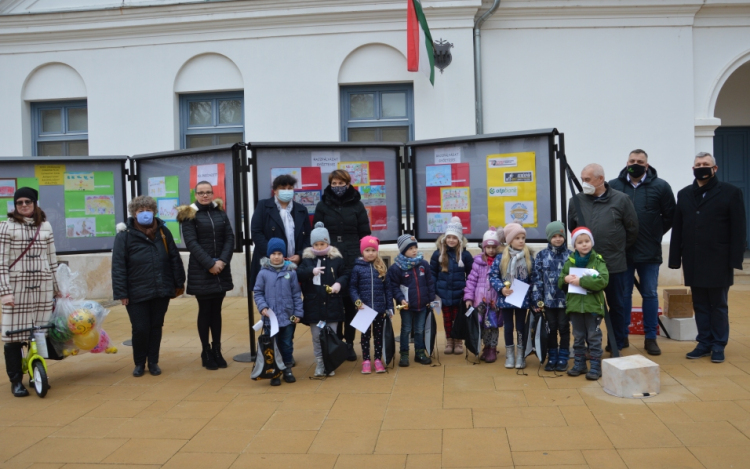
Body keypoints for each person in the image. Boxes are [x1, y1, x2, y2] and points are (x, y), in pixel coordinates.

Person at [669, 152, 747, 364]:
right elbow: (678, 227)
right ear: (693, 169)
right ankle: (704, 342)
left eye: (706, 164)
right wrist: (675, 258)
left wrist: (735, 259)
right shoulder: (684, 194)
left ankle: (719, 344)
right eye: (698, 164)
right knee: (700, 304)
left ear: (715, 168)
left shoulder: (730, 192)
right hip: (694, 259)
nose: (701, 167)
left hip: (718, 259)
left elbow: (738, 228)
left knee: (718, 304)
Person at [609, 149, 676, 356]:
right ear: (626, 162)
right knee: (623, 295)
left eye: (640, 161)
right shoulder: (614, 185)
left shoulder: (661, 186)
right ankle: (621, 335)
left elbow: (670, 216)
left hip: (649, 251)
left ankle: (650, 337)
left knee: (649, 294)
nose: (635, 164)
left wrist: (654, 234)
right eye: (632, 160)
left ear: (647, 165)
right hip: (623, 252)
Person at [112, 195, 185, 377]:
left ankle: (153, 361)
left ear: (154, 211)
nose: (145, 213)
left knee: (155, 327)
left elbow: (174, 258)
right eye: (140, 210)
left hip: (161, 289)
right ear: (134, 214)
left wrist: (178, 283)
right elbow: (118, 265)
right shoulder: (124, 236)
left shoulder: (163, 232)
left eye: (148, 210)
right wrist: (122, 292)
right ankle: (139, 363)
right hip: (136, 292)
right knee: (140, 328)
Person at [568, 163, 638, 351]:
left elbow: (632, 229)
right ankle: (590, 345)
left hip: (614, 264)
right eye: (582, 179)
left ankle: (618, 341)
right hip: (586, 265)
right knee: (587, 306)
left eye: (588, 179)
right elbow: (573, 228)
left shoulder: (621, 200)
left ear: (600, 179)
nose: (584, 183)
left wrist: (616, 247)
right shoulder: (576, 201)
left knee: (617, 305)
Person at [0, 188, 58, 397]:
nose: (23, 205)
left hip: (41, 287)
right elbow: (1, 263)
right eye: (19, 202)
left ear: (35, 203)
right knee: (13, 337)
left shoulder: (45, 225)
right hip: (16, 289)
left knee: (39, 333)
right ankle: (16, 380)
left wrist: (57, 288)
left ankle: (37, 374)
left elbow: (52, 259)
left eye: (28, 201)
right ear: (15, 205)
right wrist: (5, 292)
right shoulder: (6, 227)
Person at [313, 169, 371, 361]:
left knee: (352, 302)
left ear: (348, 184)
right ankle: (335, 340)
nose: (338, 187)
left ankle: (349, 343)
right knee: (334, 298)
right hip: (331, 256)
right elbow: (317, 233)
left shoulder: (357, 205)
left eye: (341, 183)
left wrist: (364, 255)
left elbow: (365, 233)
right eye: (334, 183)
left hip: (353, 254)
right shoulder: (322, 205)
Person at [177, 181, 234, 371]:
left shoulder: (220, 212)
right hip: (202, 271)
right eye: (201, 193)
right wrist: (210, 264)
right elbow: (191, 243)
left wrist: (222, 262)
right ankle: (205, 351)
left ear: (212, 194)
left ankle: (217, 350)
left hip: (221, 270)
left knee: (216, 311)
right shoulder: (189, 215)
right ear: (195, 194)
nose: (205, 196)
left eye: (208, 192)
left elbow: (229, 238)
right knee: (205, 310)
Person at [297, 222, 348, 377]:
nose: (319, 247)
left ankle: (329, 363)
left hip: (332, 304)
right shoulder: (307, 260)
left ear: (328, 243)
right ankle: (320, 363)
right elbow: (299, 274)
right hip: (314, 305)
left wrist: (339, 283)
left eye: (322, 244)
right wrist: (310, 271)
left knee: (331, 336)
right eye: (316, 244)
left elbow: (345, 274)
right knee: (317, 337)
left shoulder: (336, 259)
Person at [559, 227, 609, 380]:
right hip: (575, 307)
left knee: (594, 337)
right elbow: (561, 280)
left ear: (591, 242)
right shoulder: (570, 261)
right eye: (580, 242)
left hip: (593, 307)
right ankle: (579, 364)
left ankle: (595, 366)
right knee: (578, 336)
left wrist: (582, 281)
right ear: (575, 246)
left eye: (587, 241)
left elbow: (603, 280)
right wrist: (565, 279)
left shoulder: (598, 260)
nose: (584, 245)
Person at [253, 238, 303, 386]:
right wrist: (263, 307)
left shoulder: (291, 273)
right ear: (269, 255)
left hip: (287, 317)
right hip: (270, 319)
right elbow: (258, 292)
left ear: (284, 255)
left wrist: (298, 313)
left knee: (287, 344)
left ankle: (287, 369)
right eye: (273, 253)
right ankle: (275, 371)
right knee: (273, 345)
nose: (276, 256)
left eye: (279, 253)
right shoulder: (263, 273)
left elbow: (296, 294)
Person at [250, 174, 311, 289]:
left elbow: (308, 236)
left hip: (295, 265)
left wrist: (300, 255)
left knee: (293, 298)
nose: (287, 191)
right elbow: (256, 232)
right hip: (269, 264)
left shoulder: (301, 209)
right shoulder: (263, 206)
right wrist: (274, 256)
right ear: (275, 191)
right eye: (283, 188)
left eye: (290, 188)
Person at [387, 234, 436, 367]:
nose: (414, 250)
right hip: (406, 306)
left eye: (415, 247)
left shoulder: (423, 264)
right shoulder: (396, 268)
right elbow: (394, 287)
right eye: (410, 248)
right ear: (403, 250)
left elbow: (430, 283)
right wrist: (401, 299)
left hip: (422, 304)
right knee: (406, 329)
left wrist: (431, 300)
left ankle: (420, 353)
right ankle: (404, 354)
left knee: (420, 329)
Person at [490, 223, 533, 369]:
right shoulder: (501, 258)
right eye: (517, 238)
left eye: (523, 238)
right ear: (509, 241)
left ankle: (520, 354)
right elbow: (493, 276)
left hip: (522, 299)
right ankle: (510, 354)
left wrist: (531, 296)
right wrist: (501, 288)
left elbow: (533, 279)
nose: (521, 241)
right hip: (506, 298)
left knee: (520, 327)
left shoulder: (528, 257)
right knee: (508, 327)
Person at [531, 221, 572, 372]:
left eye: (560, 235)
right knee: (551, 328)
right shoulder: (541, 256)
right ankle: (552, 355)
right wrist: (537, 300)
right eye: (554, 236)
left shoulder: (570, 255)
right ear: (549, 237)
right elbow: (537, 279)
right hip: (548, 302)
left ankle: (564, 356)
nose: (557, 239)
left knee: (564, 328)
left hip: (565, 302)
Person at [349, 235, 392, 374]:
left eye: (373, 250)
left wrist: (390, 307)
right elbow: (353, 287)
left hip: (380, 309)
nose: (371, 253)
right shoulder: (357, 268)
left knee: (378, 336)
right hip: (364, 309)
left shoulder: (382, 267)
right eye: (367, 250)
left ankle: (378, 359)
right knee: (365, 336)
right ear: (362, 251)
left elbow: (388, 289)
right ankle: (366, 360)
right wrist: (357, 300)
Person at [430, 217, 473, 355]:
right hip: (442, 293)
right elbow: (432, 274)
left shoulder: (465, 255)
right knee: (447, 319)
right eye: (448, 237)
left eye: (454, 238)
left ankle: (458, 341)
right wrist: (434, 290)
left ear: (459, 239)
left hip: (459, 294)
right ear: (444, 238)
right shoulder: (438, 254)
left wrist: (467, 291)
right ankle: (449, 340)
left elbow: (471, 274)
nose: (451, 240)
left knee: (458, 318)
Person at [464, 227, 503, 363]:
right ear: (484, 247)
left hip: (494, 302)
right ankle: (481, 347)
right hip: (479, 301)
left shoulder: (500, 262)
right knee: (480, 325)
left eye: (494, 247)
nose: (491, 250)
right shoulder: (478, 263)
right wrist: (469, 297)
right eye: (488, 247)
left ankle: (491, 348)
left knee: (492, 326)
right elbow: (471, 281)